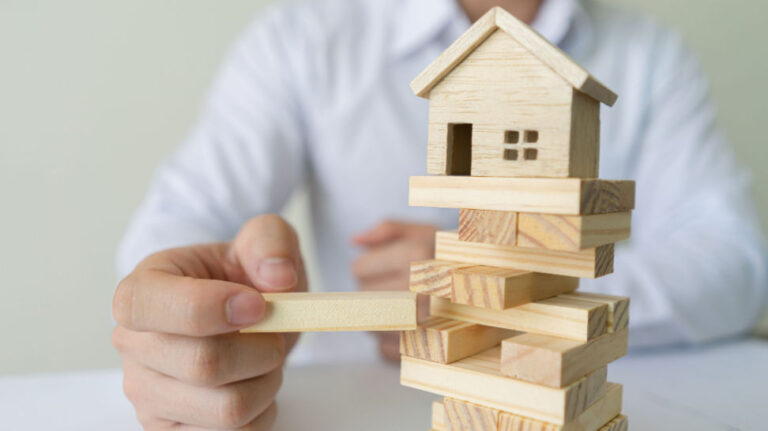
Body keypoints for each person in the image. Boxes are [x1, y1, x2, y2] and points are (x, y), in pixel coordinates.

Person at [111, 0, 768, 429]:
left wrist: (501, 279)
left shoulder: (652, 55)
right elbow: (173, 229)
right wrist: (183, 320)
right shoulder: (303, 37)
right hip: (352, 403)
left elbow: (733, 263)